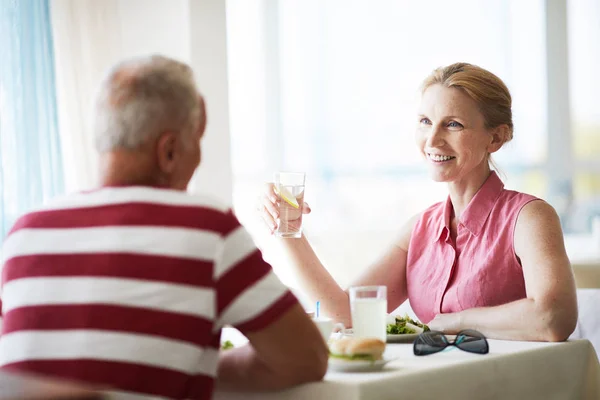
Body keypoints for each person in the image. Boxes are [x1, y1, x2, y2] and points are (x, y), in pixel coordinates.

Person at [0, 55, 328, 399]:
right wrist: (190, 365)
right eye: (197, 141)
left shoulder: (24, 233)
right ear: (169, 151)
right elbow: (306, 358)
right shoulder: (206, 228)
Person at [258, 62, 578, 342]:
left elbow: (553, 318)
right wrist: (289, 231)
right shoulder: (419, 229)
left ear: (495, 137)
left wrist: (457, 322)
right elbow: (346, 314)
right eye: (425, 121)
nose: (433, 140)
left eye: (453, 124)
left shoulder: (529, 218)